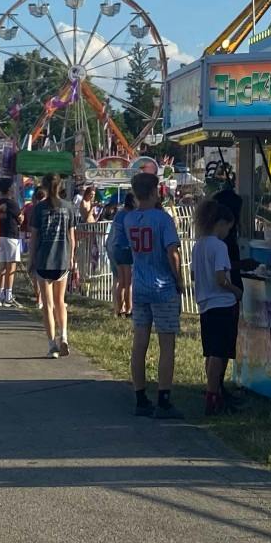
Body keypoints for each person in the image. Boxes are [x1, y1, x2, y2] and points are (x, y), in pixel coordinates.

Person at [122, 171, 185, 419]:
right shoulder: (163, 219)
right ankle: (164, 398)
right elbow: (173, 252)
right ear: (154, 192)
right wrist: (178, 279)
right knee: (166, 343)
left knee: (140, 342)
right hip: (163, 286)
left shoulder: (129, 219)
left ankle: (140, 396)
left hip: (140, 284)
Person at [191, 199, 240, 415]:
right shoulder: (219, 247)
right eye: (228, 228)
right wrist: (235, 290)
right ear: (220, 223)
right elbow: (221, 278)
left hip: (205, 304)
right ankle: (214, 393)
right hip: (223, 303)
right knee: (220, 353)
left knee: (210, 352)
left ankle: (211, 391)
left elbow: (195, 274)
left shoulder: (198, 245)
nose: (228, 233)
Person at [26, 175, 75, 359]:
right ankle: (64, 336)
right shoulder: (68, 207)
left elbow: (34, 238)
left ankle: (52, 345)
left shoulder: (39, 209)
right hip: (61, 259)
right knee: (60, 301)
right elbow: (72, 237)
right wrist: (71, 258)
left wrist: (31, 260)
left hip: (43, 259)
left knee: (47, 305)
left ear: (45, 187)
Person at [0, 185, 23, 306]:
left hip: (0, 235)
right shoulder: (13, 204)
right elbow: (20, 218)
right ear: (10, 190)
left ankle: (0, 294)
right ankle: (8, 296)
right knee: (11, 267)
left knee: (2, 265)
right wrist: (22, 217)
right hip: (11, 235)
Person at [107, 193, 134, 319]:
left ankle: (118, 309)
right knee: (128, 283)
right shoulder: (130, 216)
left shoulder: (119, 215)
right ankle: (129, 309)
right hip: (126, 248)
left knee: (120, 281)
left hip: (116, 248)